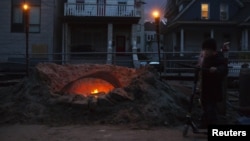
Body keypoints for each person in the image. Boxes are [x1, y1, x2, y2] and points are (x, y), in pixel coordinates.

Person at [197, 38, 228, 128]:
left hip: (213, 90)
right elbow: (199, 68)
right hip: (204, 89)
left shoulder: (219, 58)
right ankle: (204, 124)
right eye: (204, 49)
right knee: (204, 107)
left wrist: (216, 70)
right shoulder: (204, 59)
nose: (205, 52)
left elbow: (224, 69)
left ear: (212, 50)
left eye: (207, 49)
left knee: (211, 109)